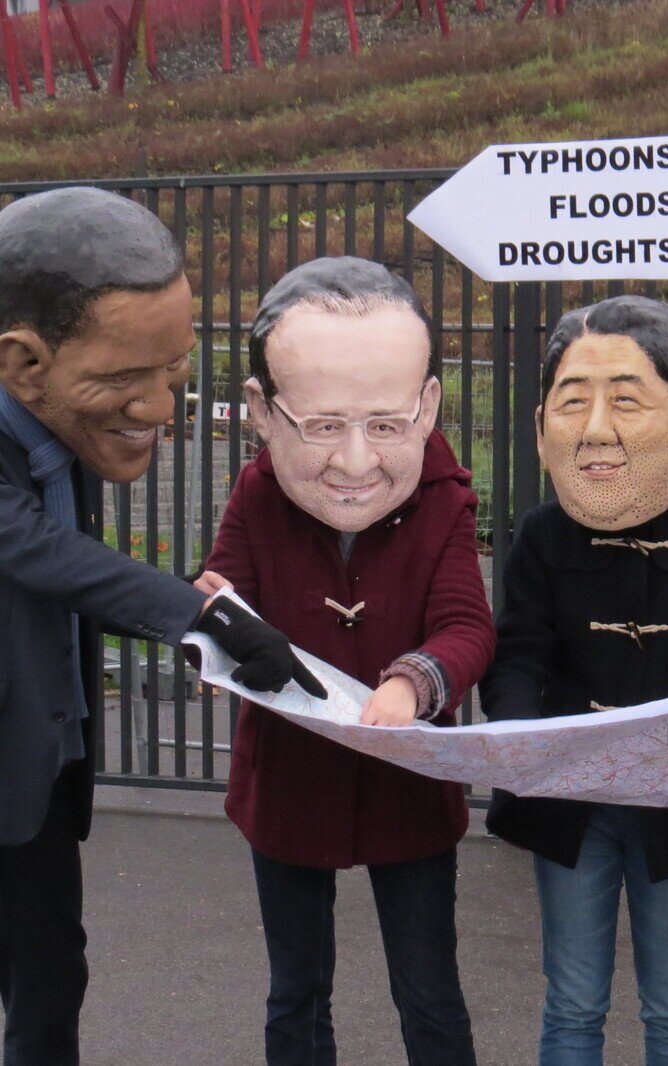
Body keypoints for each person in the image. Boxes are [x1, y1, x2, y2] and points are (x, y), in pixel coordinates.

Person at [0, 187, 320, 1066]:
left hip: (40, 768)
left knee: (52, 986)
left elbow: (80, 577)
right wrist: (198, 616)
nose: (161, 408)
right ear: (25, 362)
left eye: (173, 373)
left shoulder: (68, 437)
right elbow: (49, 560)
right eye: (125, 380)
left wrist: (216, 608)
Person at [194, 257, 494, 1066]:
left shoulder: (446, 502)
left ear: (427, 406)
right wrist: (212, 618)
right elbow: (227, 601)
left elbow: (467, 626)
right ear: (261, 412)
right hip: (291, 781)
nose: (356, 463)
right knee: (297, 990)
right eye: (323, 427)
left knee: (428, 990)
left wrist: (414, 679)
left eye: (387, 426)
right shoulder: (257, 498)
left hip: (408, 785)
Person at [479, 294, 668, 1066]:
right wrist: (519, 743)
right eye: (572, 401)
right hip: (573, 804)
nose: (595, 430)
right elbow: (517, 654)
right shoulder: (543, 535)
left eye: (626, 400)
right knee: (574, 1001)